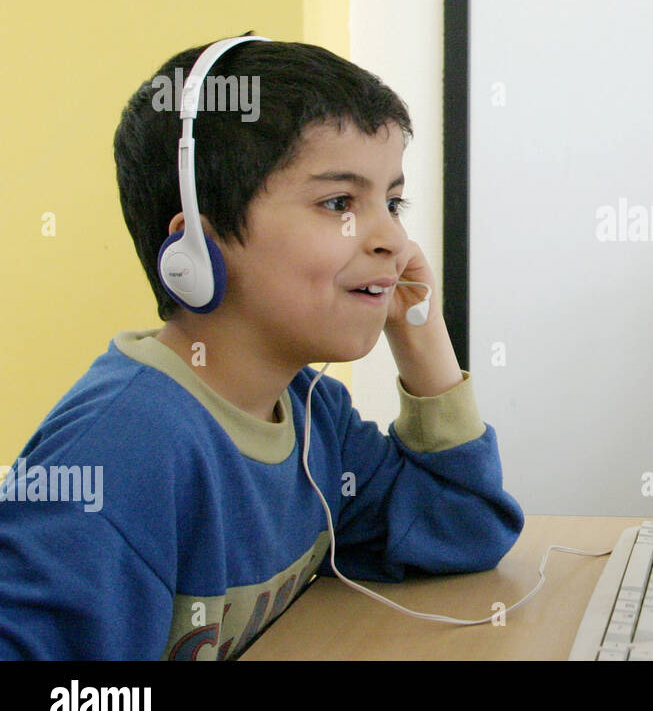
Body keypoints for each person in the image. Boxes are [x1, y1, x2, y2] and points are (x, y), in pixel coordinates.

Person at [0, 37, 524, 659]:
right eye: (339, 204)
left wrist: (421, 333)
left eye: (392, 202)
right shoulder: (125, 454)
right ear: (197, 246)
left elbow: (462, 528)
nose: (393, 239)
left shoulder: (311, 418)